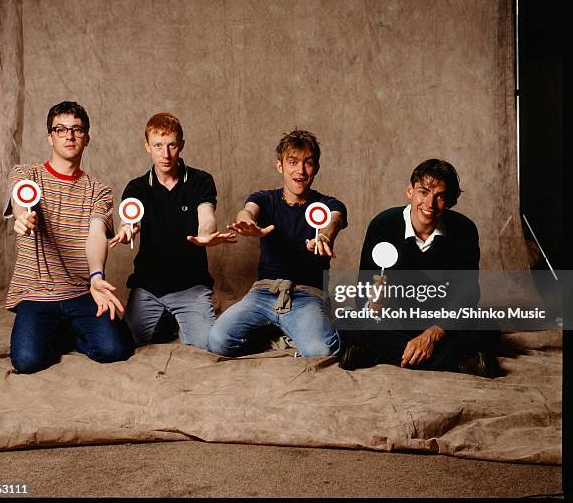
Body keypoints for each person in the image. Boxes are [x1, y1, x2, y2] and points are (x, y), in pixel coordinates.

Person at [339, 159, 501, 377]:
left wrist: (432, 335)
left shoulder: (464, 230)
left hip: (441, 321)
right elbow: (362, 294)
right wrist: (373, 301)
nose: (430, 204)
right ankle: (461, 361)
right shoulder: (383, 224)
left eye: (440, 196)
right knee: (347, 321)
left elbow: (467, 294)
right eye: (423, 192)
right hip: (396, 318)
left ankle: (380, 352)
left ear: (450, 201)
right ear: (410, 191)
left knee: (489, 327)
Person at [6, 101, 132, 374]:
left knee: (116, 350)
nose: (69, 135)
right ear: (49, 137)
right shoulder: (27, 174)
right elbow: (21, 200)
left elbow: (97, 233)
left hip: (80, 291)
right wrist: (22, 217)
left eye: (77, 129)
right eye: (60, 129)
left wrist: (97, 276)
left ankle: (69, 330)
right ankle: (55, 330)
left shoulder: (98, 190)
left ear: (86, 137)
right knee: (27, 361)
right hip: (36, 293)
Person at [207, 129, 347, 357]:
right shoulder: (265, 198)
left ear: (317, 168)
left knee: (321, 350)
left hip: (307, 295)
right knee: (218, 341)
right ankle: (279, 332)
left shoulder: (328, 203)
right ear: (280, 165)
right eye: (292, 162)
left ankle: (301, 328)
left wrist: (324, 236)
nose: (300, 171)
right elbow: (248, 211)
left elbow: (335, 219)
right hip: (263, 293)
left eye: (308, 163)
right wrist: (247, 223)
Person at [109, 113, 236, 350]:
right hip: (148, 285)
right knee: (123, 343)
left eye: (171, 145)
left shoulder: (201, 180)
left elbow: (207, 215)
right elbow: (128, 221)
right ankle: (165, 319)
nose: (165, 154)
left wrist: (205, 233)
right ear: (148, 147)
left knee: (207, 344)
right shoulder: (136, 187)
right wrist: (126, 229)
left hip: (191, 285)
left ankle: (181, 315)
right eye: (158, 146)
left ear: (182, 145)